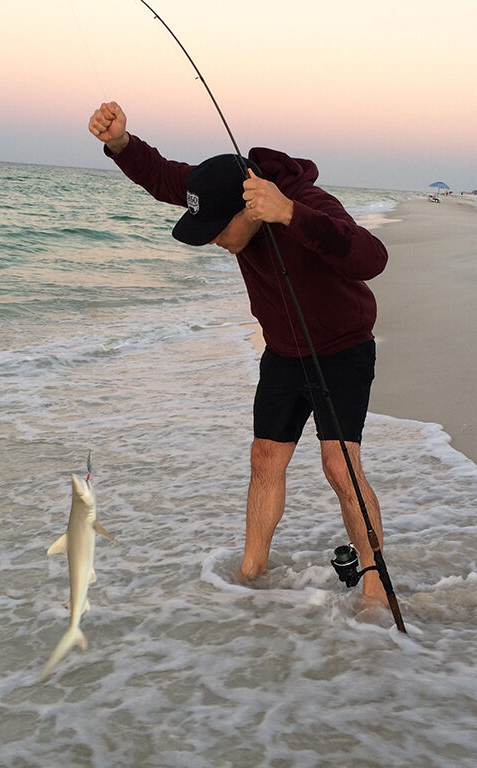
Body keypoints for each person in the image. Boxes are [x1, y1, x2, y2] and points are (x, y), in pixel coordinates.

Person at [88, 101, 391, 602]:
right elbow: (166, 179)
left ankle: (376, 584)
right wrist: (120, 143)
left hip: (341, 349)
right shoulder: (219, 187)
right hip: (283, 351)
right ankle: (251, 576)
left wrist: (290, 214)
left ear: (250, 207)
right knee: (264, 459)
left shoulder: (306, 200)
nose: (213, 243)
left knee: (340, 466)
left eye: (216, 231)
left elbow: (371, 257)